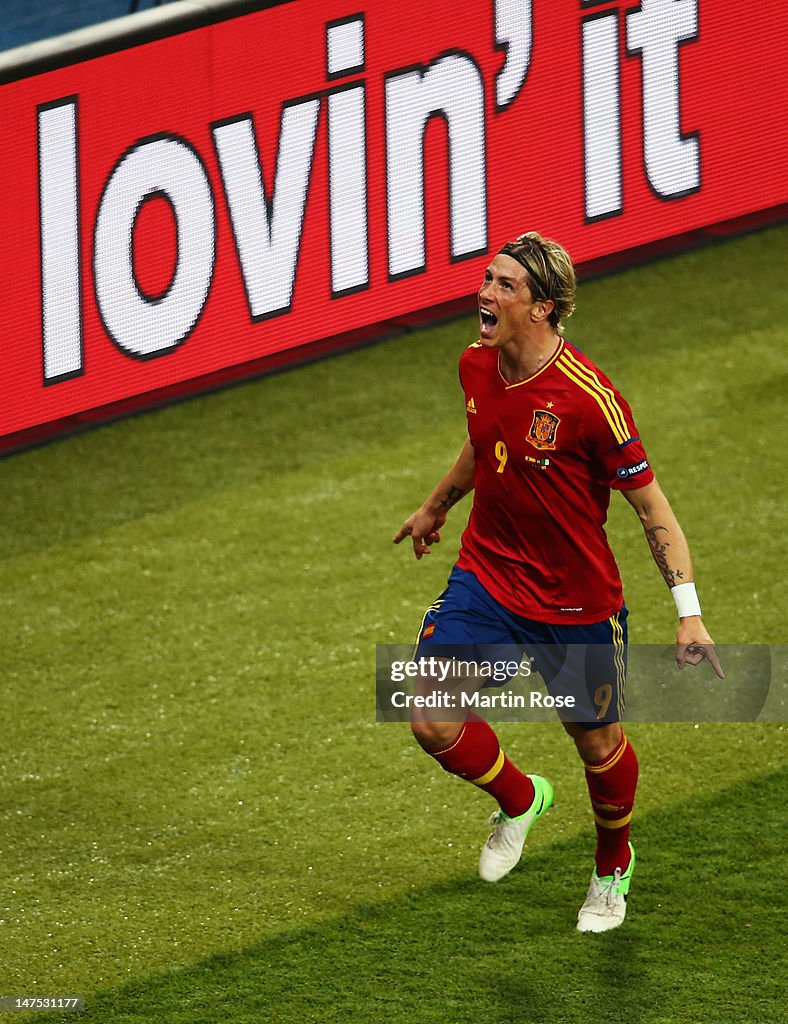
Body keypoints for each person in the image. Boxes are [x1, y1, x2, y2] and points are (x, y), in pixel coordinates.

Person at [393, 231, 723, 932]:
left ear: (541, 308)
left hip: (574, 604)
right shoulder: (475, 365)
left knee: (597, 746)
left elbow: (651, 506)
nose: (485, 293)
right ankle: (520, 799)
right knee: (429, 714)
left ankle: (612, 867)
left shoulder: (590, 400)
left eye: (504, 286)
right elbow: (485, 443)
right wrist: (435, 507)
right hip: (486, 577)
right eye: (488, 278)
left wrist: (687, 611)